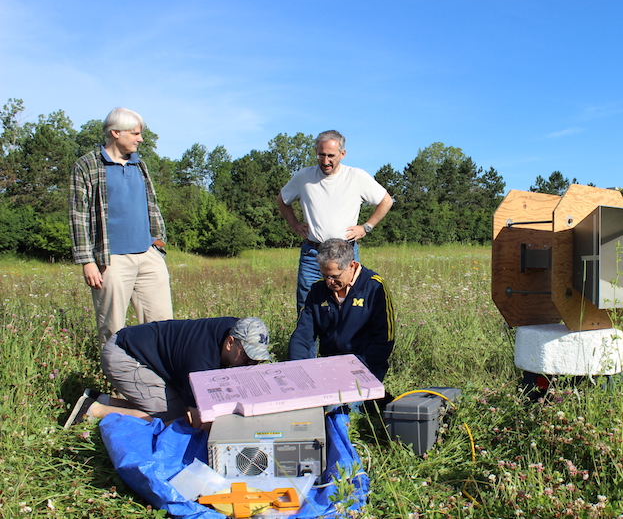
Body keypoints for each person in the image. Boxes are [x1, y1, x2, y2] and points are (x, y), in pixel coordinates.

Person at [68, 107, 173, 350]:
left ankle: (157, 382)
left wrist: (157, 245)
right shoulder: (87, 165)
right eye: (135, 133)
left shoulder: (140, 165)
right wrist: (87, 261)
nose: (140, 139)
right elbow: (77, 216)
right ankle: (117, 385)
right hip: (111, 260)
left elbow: (152, 206)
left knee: (163, 326)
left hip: (148, 255)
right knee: (113, 329)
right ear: (115, 132)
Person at [64, 317, 271, 429]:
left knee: (178, 407)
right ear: (230, 343)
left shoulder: (233, 328)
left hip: (142, 352)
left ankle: (101, 399)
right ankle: (93, 409)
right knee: (176, 417)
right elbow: (198, 419)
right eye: (246, 356)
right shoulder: (201, 361)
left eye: (256, 360)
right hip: (124, 356)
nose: (249, 364)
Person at [277, 130, 393, 312]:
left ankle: (342, 341)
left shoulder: (356, 176)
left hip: (345, 253)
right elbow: (282, 200)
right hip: (312, 255)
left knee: (347, 305)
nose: (325, 161)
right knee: (307, 307)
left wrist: (366, 227)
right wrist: (295, 224)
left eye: (331, 156)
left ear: (342, 154)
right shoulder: (304, 177)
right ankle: (307, 342)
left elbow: (385, 201)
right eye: (321, 155)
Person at [288, 239, 395, 382]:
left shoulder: (374, 287)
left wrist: (356, 370)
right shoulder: (318, 290)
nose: (329, 282)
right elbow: (303, 336)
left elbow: (384, 339)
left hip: (365, 369)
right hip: (328, 368)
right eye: (325, 276)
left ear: (351, 265)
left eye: (334, 276)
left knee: (342, 406)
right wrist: (297, 371)